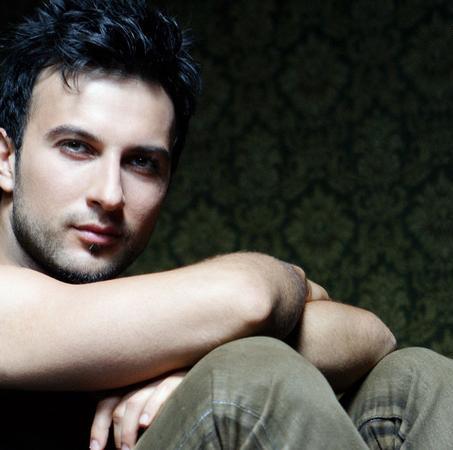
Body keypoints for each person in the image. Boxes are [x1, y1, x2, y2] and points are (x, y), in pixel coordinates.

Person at [0, 1, 451, 449]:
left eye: (142, 162)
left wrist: (190, 368)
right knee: (245, 380)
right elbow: (248, 296)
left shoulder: (143, 319)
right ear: (5, 159)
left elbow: (373, 336)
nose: (111, 194)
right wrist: (283, 288)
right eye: (77, 147)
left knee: (416, 380)